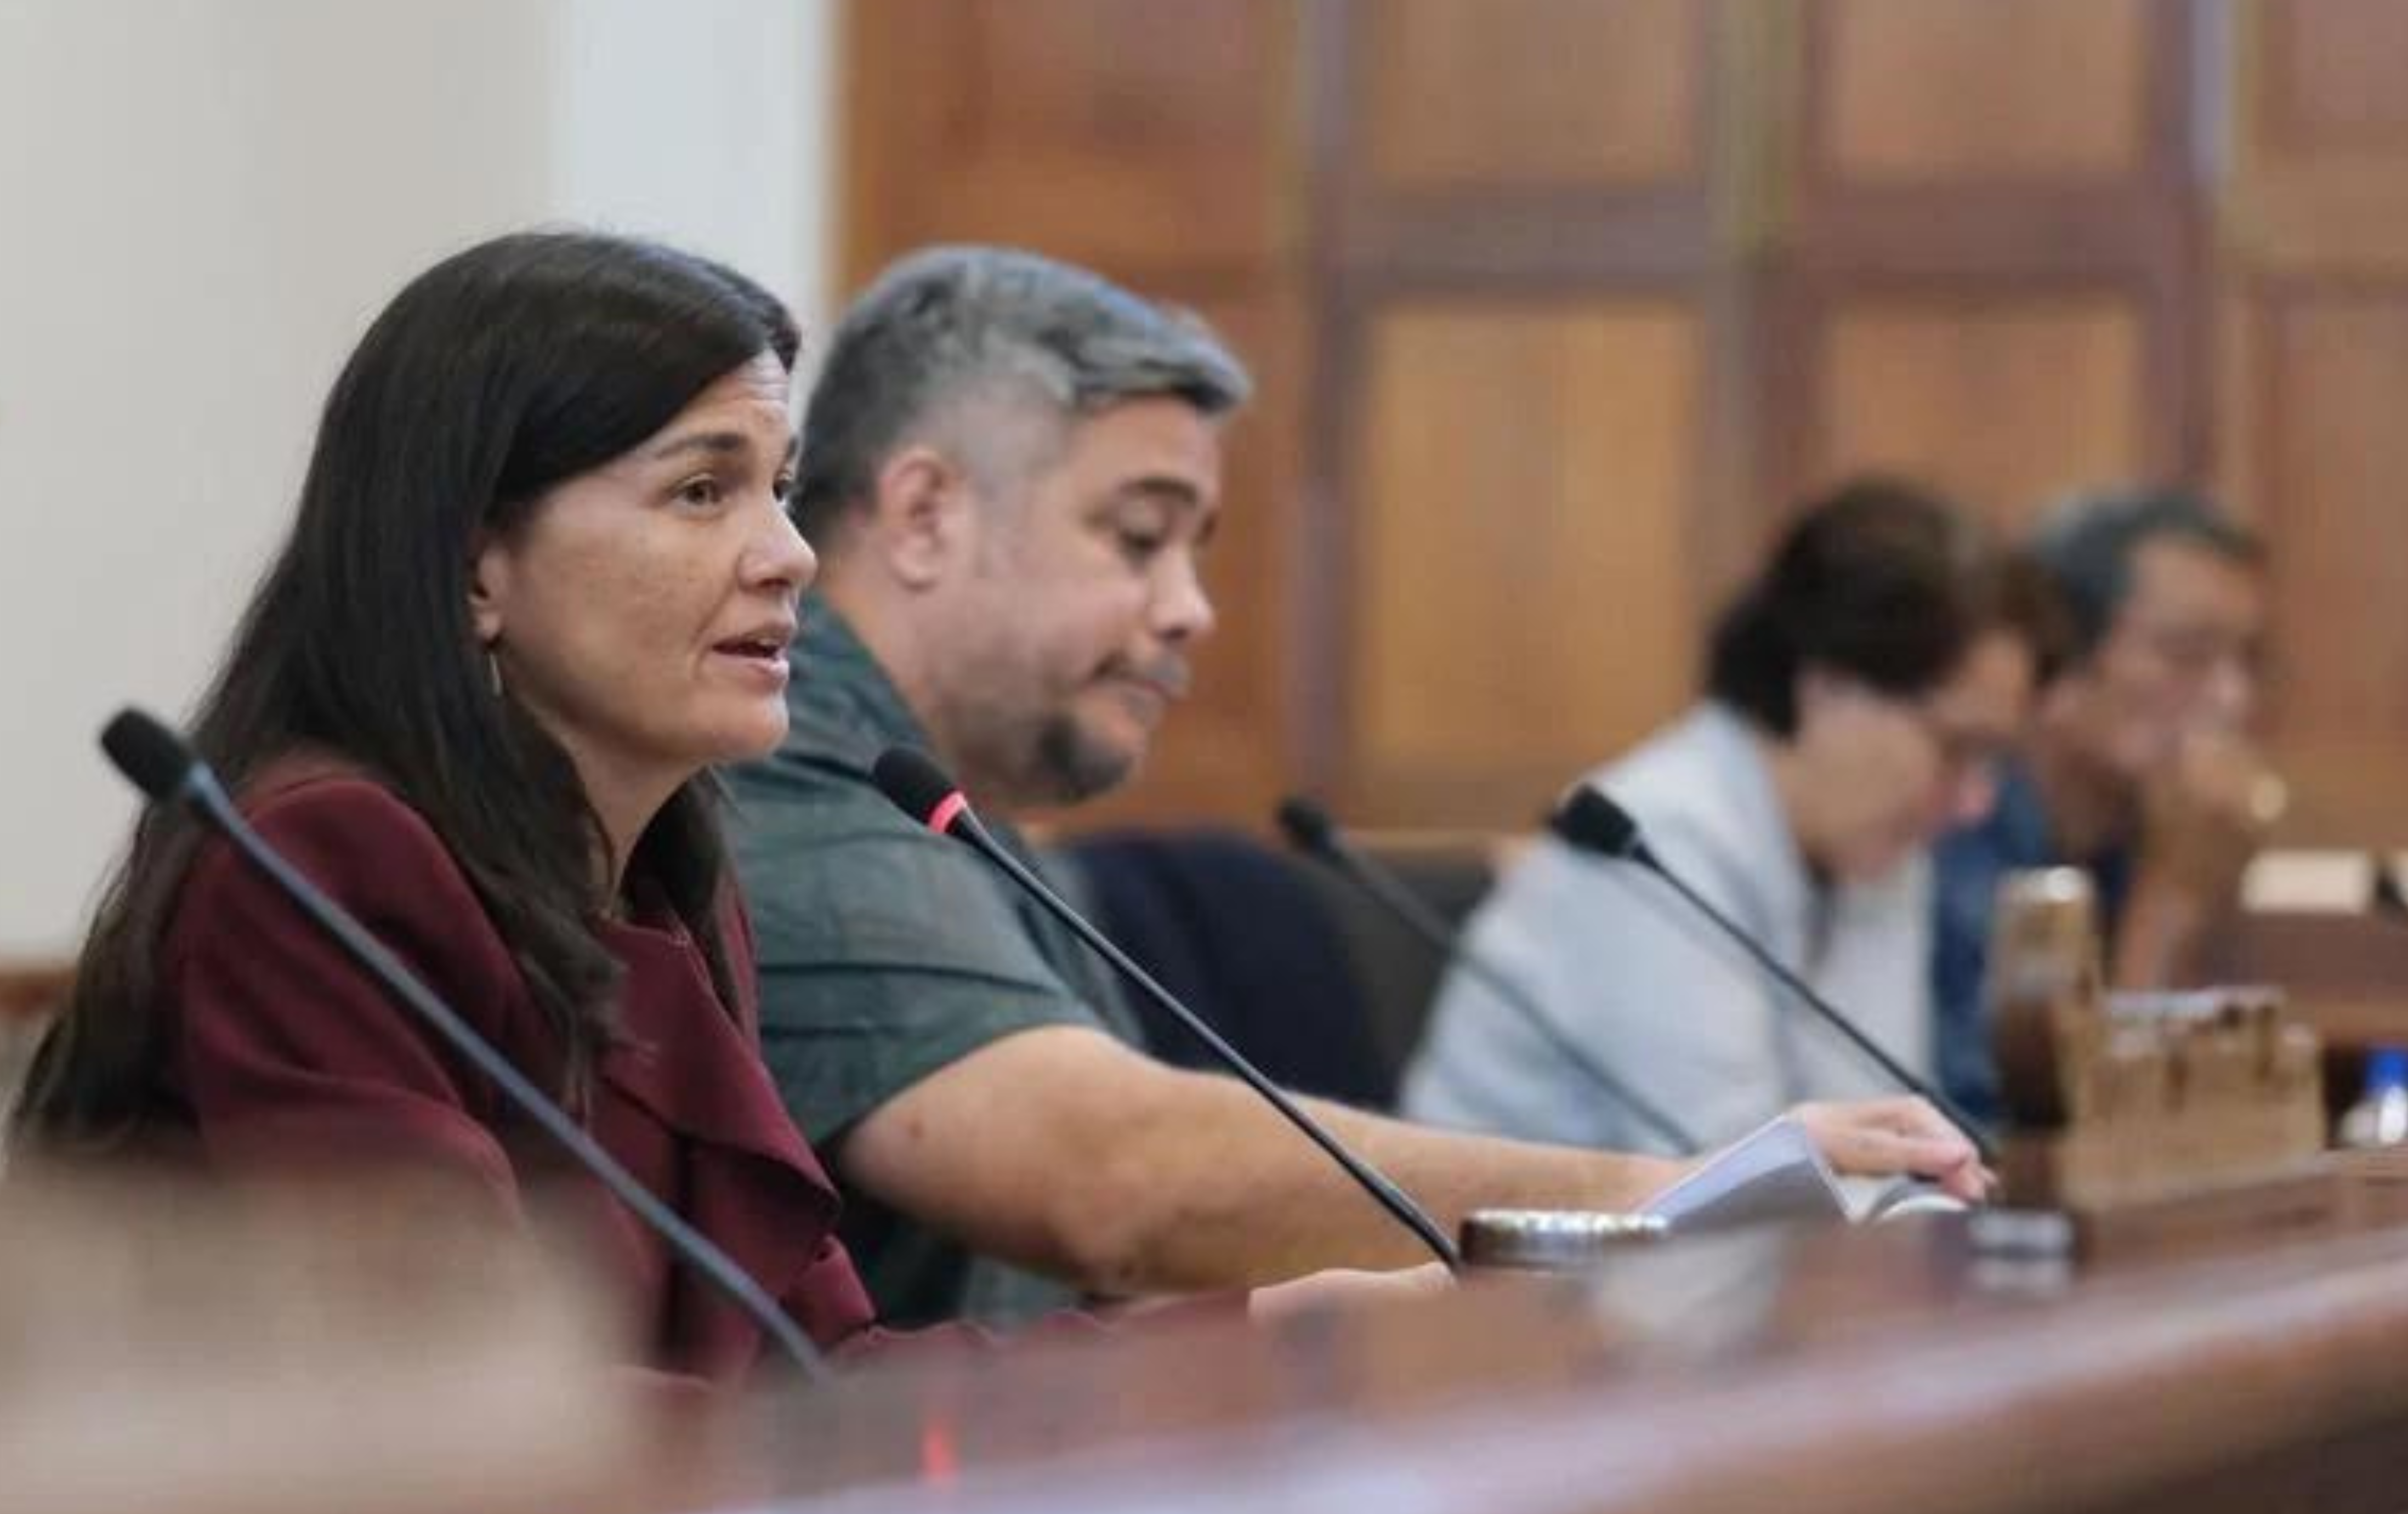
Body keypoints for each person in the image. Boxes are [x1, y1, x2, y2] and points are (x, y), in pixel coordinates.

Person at [726, 246, 1985, 1329]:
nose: (1190, 610)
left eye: (1194, 549)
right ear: (926, 513)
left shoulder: (956, 810)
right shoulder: (781, 770)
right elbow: (1116, 1178)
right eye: (1136, 534)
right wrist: (1660, 1197)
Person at [12, 230, 869, 1383]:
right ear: (474, 570)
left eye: (782, 488)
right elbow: (457, 1393)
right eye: (703, 489)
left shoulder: (670, 891)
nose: (790, 555)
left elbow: (818, 1367)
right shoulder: (324, 866)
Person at [1405, 481, 2052, 1155]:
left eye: (1992, 761)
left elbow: (1888, 1138)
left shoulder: (1876, 848)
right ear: (1829, 684)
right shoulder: (1650, 839)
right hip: (1486, 1256)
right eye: (1955, 747)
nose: (1976, 799)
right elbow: (1731, 1181)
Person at [1930, 489, 2271, 1125]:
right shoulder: (1955, 826)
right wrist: (2171, 897)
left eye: (2248, 662)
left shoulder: (2153, 831)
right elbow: (2044, 1147)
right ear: (2058, 660)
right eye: (2188, 654)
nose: (2232, 698)